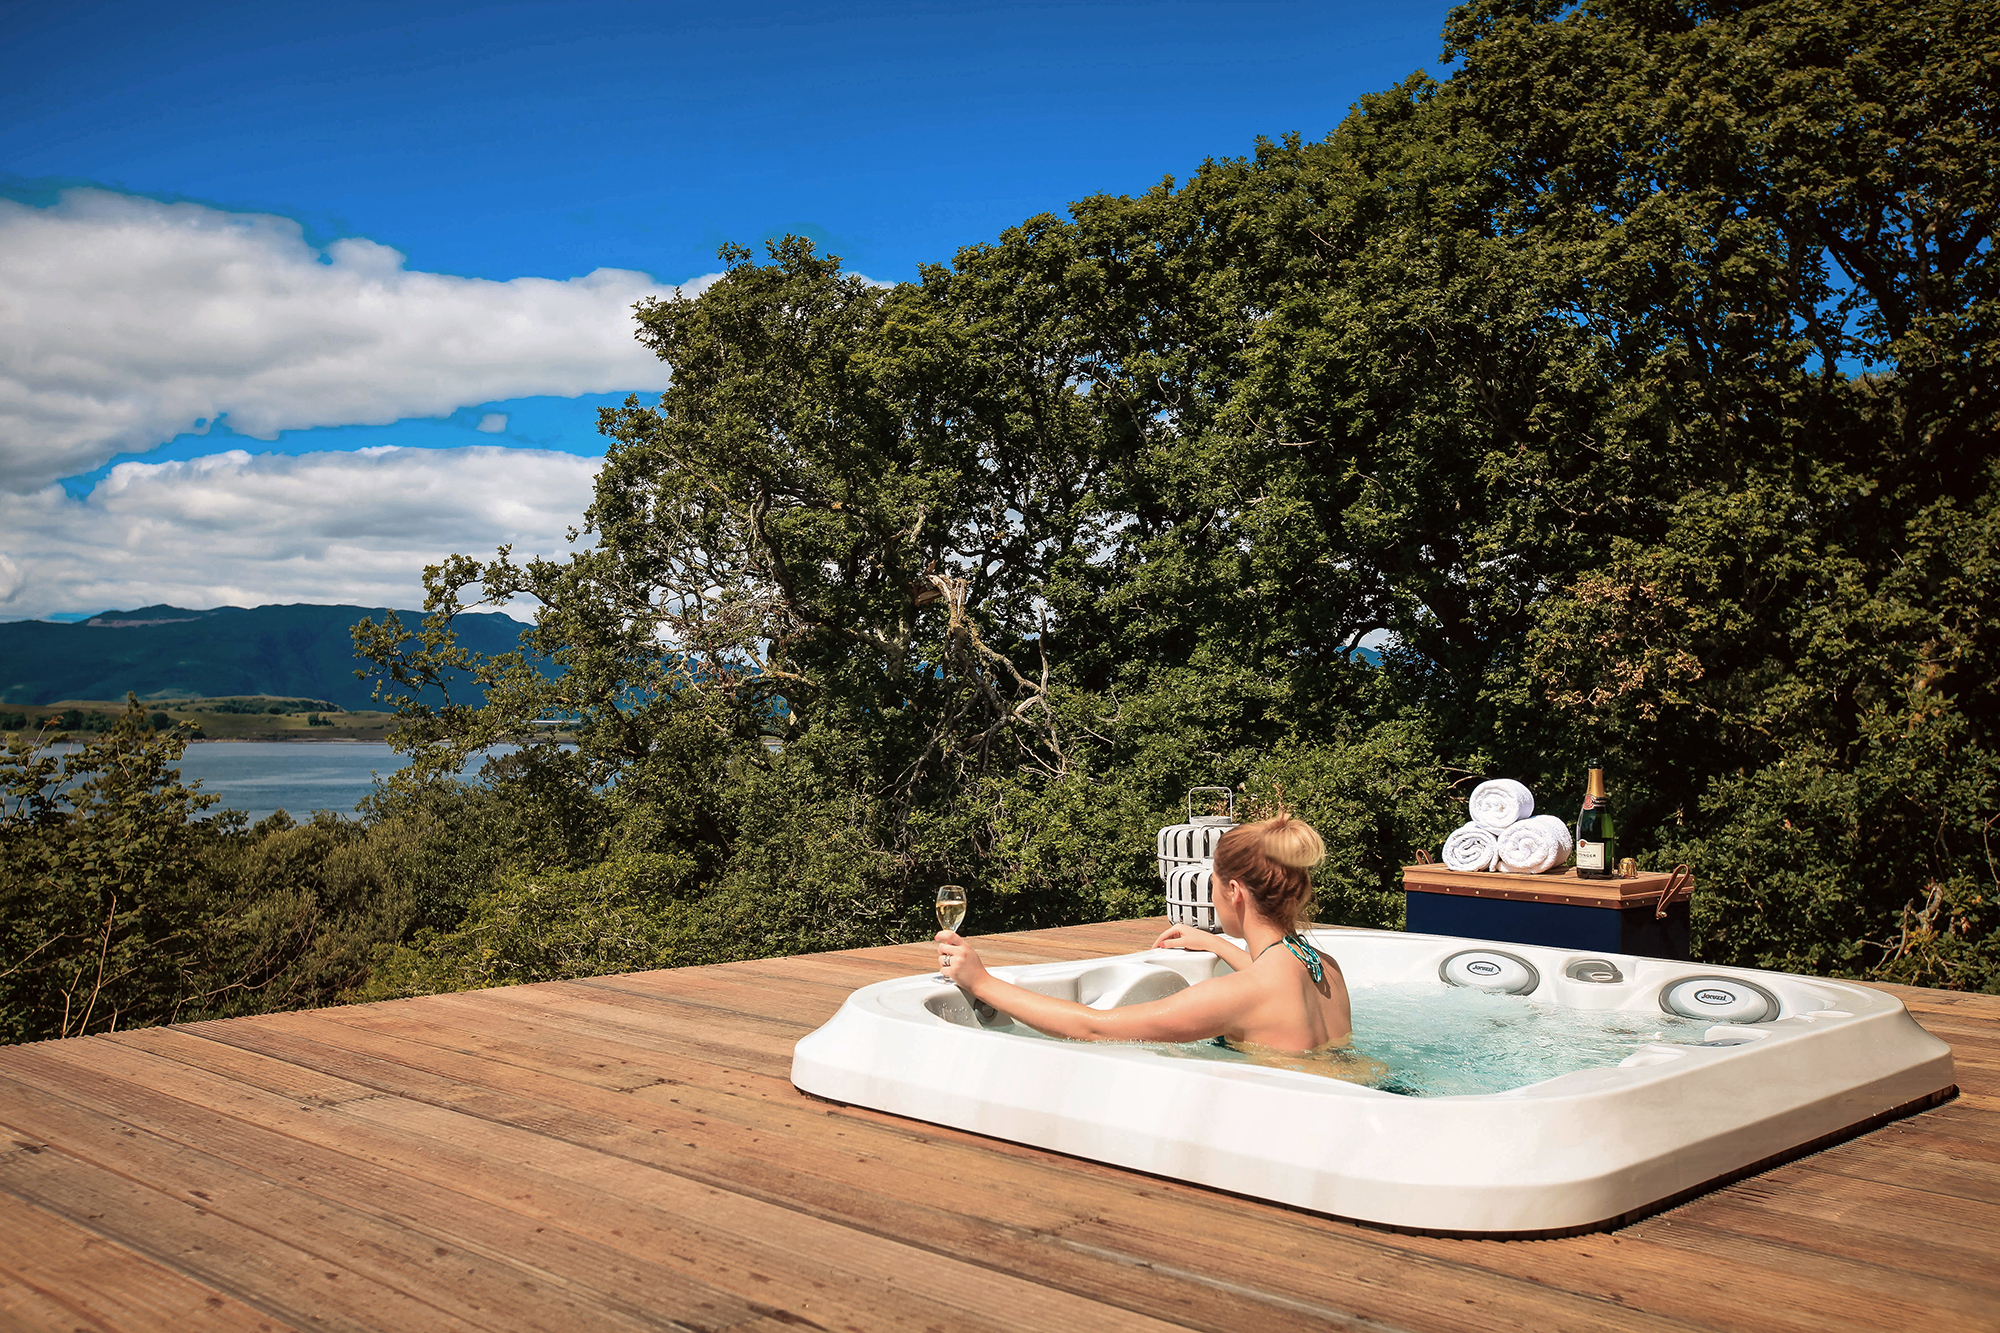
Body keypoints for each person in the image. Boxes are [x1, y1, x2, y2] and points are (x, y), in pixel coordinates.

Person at [934, 813, 1356, 1060]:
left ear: (1234, 892)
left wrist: (982, 982)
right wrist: (1214, 943)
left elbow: (1093, 1029)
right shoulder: (1323, 968)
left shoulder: (1239, 994)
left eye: (1213, 882)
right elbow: (1272, 983)